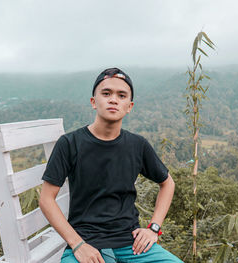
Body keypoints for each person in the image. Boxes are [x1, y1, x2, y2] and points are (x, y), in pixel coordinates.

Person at [39, 67, 183, 263]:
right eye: (106, 93)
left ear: (129, 106)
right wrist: (78, 245)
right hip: (85, 243)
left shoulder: (137, 145)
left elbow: (167, 183)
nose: (113, 99)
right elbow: (46, 199)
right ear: (93, 101)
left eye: (121, 95)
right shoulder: (70, 144)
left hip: (131, 244)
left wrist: (153, 229)